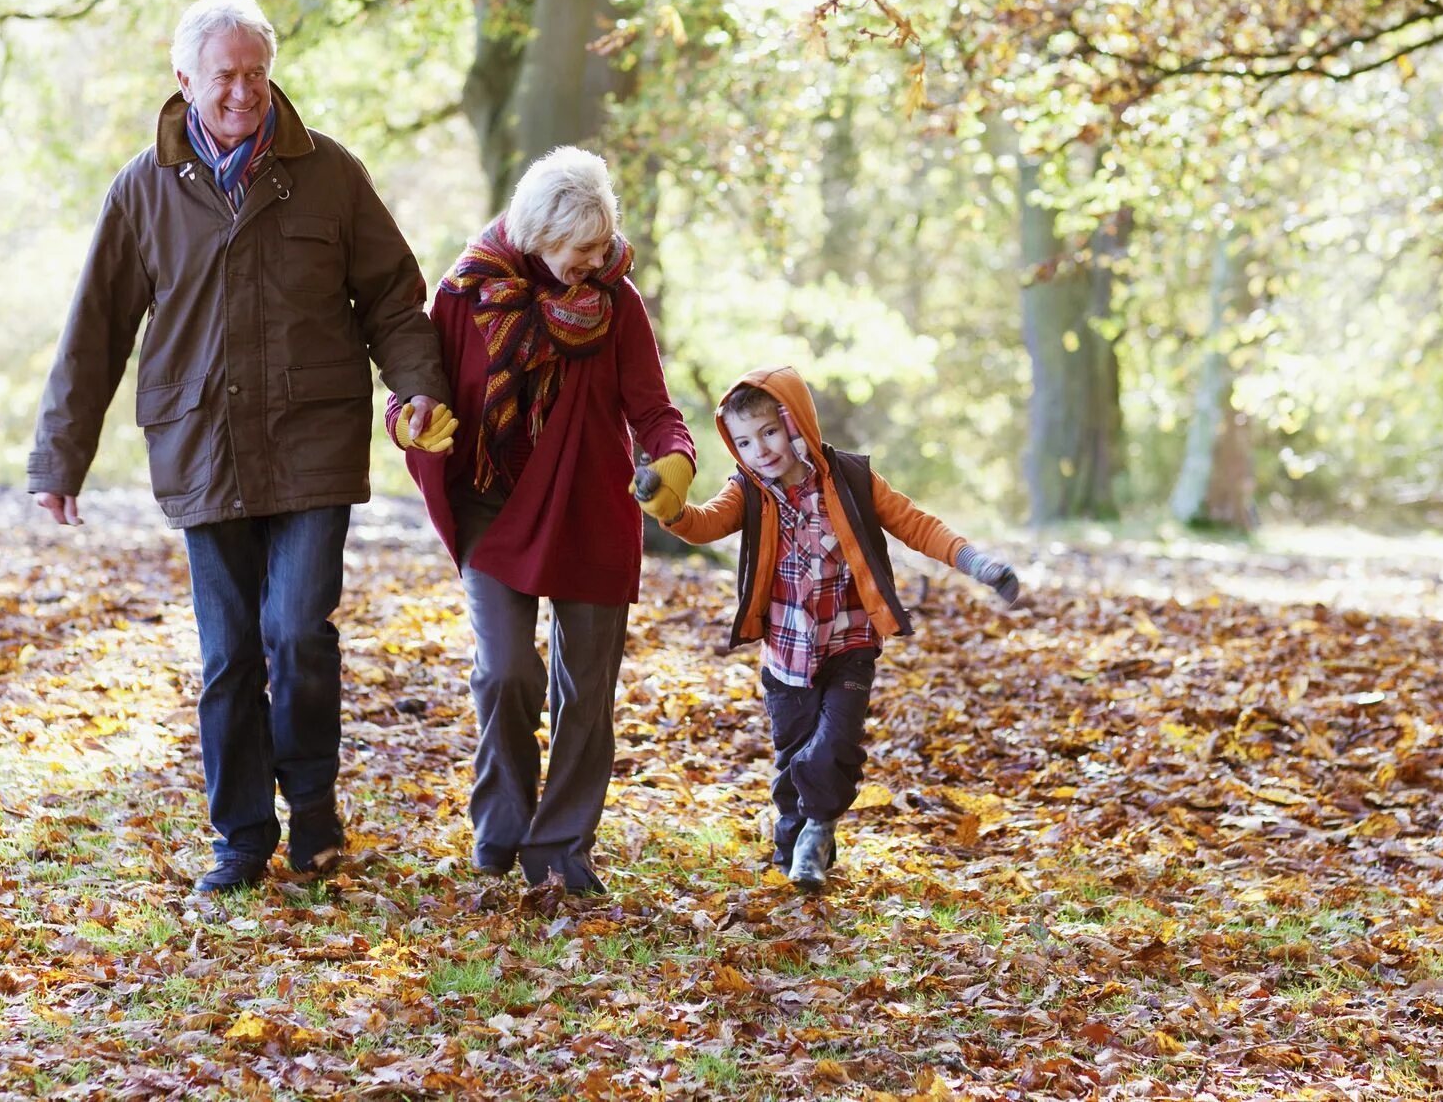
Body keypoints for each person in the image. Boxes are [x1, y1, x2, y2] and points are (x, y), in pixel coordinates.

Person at [27, 0, 456, 894]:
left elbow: (392, 300)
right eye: (225, 75)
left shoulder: (330, 174)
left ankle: (313, 814)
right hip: (200, 444)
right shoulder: (143, 190)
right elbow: (95, 330)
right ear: (184, 79)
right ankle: (240, 838)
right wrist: (59, 458)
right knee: (229, 656)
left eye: (257, 73)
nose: (243, 91)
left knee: (299, 631)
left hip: (312, 442)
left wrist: (417, 388)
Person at [399, 146, 694, 895]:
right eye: (580, 249)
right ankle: (500, 827)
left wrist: (675, 459)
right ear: (535, 235)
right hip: (493, 506)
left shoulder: (616, 303)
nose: (597, 262)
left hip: (590, 504)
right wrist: (411, 421)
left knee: (586, 685)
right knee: (505, 670)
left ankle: (563, 846)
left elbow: (654, 409)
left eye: (604, 244)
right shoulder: (466, 294)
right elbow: (419, 389)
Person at [647, 366, 1021, 892]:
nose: (762, 450)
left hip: (849, 643)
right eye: (746, 442)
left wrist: (977, 563)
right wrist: (669, 510)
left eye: (770, 431)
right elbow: (703, 523)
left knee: (833, 746)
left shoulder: (851, 479)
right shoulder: (749, 492)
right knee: (792, 760)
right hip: (786, 654)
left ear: (795, 419)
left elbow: (917, 524)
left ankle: (819, 826)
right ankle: (797, 847)